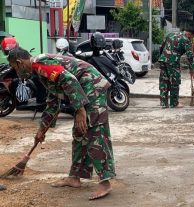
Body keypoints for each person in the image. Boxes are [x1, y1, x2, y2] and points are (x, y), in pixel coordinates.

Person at [7, 47, 115, 200]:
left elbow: (69, 79)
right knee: (79, 132)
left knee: (94, 131)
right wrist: (42, 130)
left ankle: (105, 182)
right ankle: (75, 177)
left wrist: (80, 110)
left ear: (19, 62)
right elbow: (53, 101)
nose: (17, 72)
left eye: (14, 68)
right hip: (83, 89)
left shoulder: (39, 63)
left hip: (92, 86)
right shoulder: (40, 71)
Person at [158, 28, 194, 108]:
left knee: (164, 81)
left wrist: (162, 57)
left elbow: (162, 47)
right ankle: (174, 103)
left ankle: (163, 103)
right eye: (191, 37)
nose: (190, 39)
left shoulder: (170, 34)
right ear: (190, 34)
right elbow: (190, 55)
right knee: (174, 82)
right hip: (173, 61)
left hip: (163, 59)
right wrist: (192, 68)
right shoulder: (186, 40)